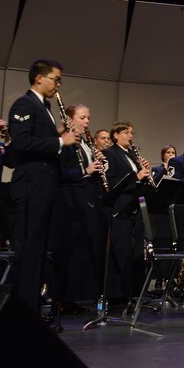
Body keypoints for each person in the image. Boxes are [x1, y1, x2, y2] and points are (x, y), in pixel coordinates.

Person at [6, 59, 79, 315]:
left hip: (44, 183)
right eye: (55, 79)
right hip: (31, 183)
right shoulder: (24, 103)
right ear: (39, 78)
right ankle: (22, 310)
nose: (58, 85)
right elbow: (22, 142)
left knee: (38, 249)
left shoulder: (43, 106)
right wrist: (60, 141)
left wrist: (56, 135)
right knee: (28, 248)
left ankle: (32, 309)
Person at [51, 103, 106, 312]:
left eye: (88, 118)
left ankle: (74, 296)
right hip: (69, 201)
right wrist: (87, 170)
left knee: (82, 251)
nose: (87, 122)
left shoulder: (84, 142)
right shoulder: (65, 142)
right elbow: (61, 173)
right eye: (82, 118)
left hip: (87, 200)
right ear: (70, 119)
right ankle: (63, 298)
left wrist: (96, 161)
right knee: (70, 251)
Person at [102, 121, 152, 302]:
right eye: (126, 133)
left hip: (134, 206)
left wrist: (144, 173)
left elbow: (139, 181)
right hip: (121, 206)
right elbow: (111, 181)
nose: (130, 136)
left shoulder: (132, 155)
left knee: (135, 249)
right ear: (116, 135)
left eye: (131, 133)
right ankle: (117, 295)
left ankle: (134, 292)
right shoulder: (109, 154)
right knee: (121, 248)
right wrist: (136, 177)